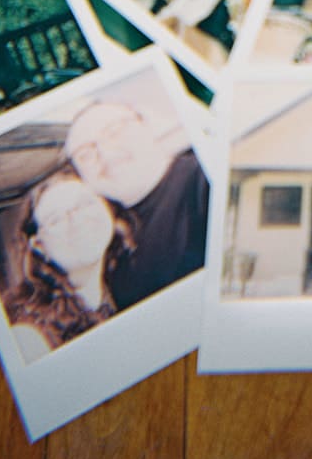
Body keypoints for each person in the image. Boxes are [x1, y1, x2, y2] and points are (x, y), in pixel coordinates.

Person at [64, 98, 209, 310]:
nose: (105, 154)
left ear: (147, 126)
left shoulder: (204, 179)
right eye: (85, 154)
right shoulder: (112, 252)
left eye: (114, 131)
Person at [4, 169, 133, 359]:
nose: (75, 220)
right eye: (55, 220)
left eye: (84, 204)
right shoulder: (30, 337)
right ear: (40, 246)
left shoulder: (129, 281)